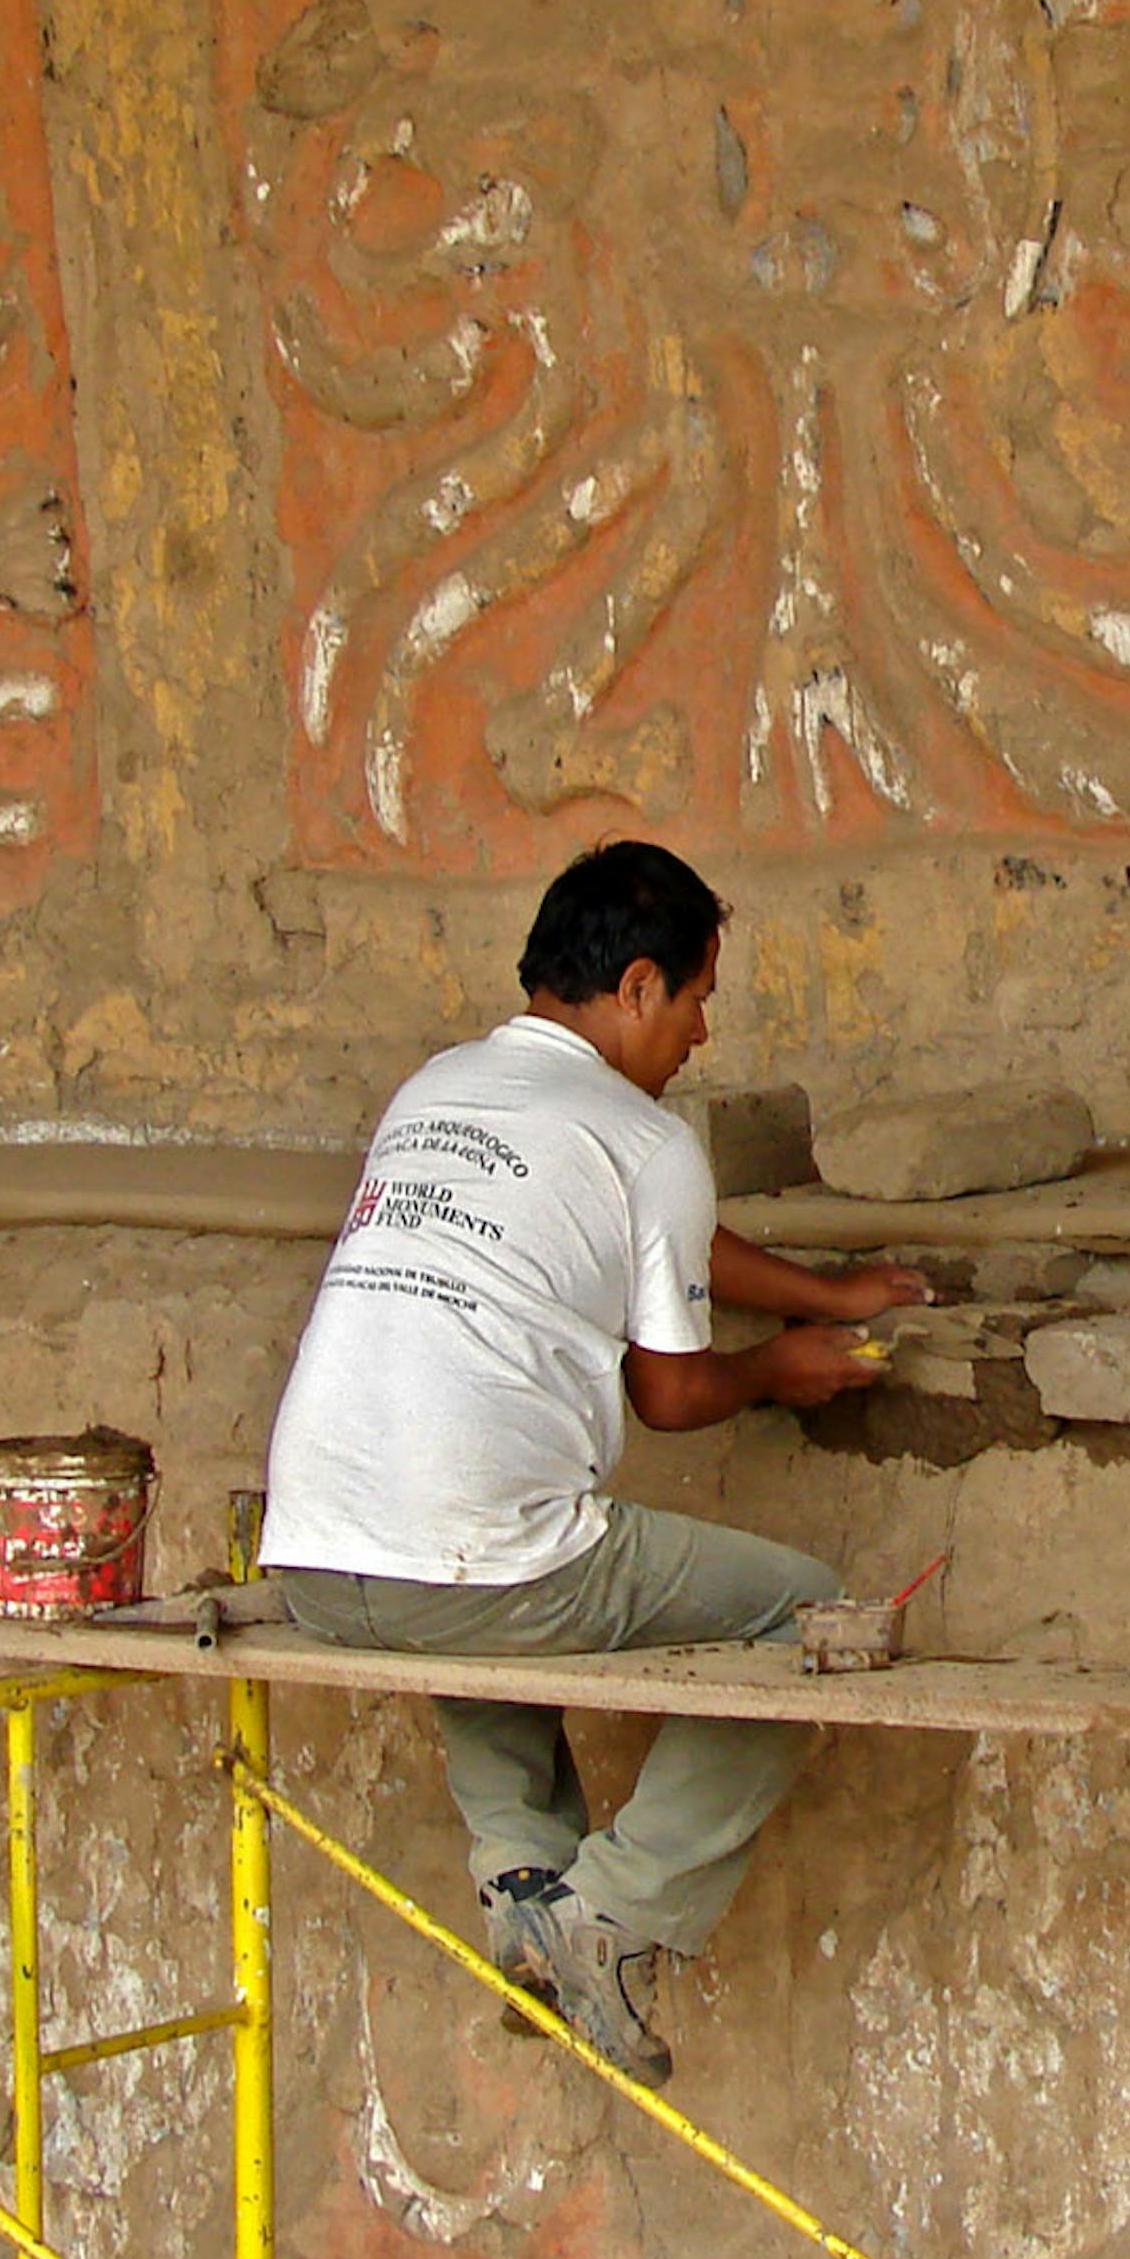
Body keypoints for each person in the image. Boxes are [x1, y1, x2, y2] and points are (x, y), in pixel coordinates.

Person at [258, 840, 926, 2086]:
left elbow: (644, 1231)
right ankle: (610, 1909)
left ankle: (521, 1883)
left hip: (317, 1552)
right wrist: (780, 1369)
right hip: (464, 1567)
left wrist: (821, 1287)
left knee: (471, 1560)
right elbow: (669, 1394)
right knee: (804, 1613)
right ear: (633, 987)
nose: (703, 1032)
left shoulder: (438, 1090)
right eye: (697, 996)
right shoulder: (642, 1138)